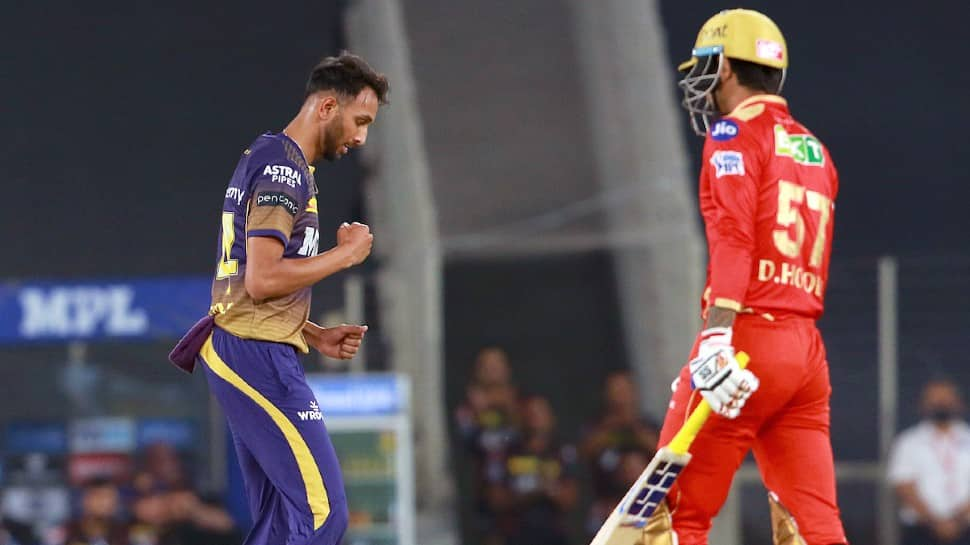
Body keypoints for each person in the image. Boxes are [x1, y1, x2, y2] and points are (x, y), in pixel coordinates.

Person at [168, 52, 389, 545]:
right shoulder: (283, 169)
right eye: (360, 121)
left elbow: (248, 278)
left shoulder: (274, 159)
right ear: (328, 107)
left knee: (280, 522)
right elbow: (262, 280)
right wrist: (345, 255)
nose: (361, 138)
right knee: (321, 515)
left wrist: (309, 331)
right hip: (254, 356)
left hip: (250, 346)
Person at [648, 9, 846, 545]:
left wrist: (714, 338)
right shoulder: (817, 151)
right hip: (806, 354)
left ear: (727, 70)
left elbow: (734, 239)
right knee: (816, 528)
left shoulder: (734, 135)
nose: (701, 83)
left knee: (664, 521)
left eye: (706, 68)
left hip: (745, 345)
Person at [888, 379, 970, 545]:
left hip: (965, 529)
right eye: (935, 400)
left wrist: (957, 520)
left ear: (958, 403)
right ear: (923, 404)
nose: (941, 404)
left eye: (946, 399)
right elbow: (904, 485)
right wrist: (936, 522)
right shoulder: (908, 441)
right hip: (921, 531)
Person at [454, 348, 521, 545]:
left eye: (496, 365)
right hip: (484, 494)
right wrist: (479, 411)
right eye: (486, 366)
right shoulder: (467, 407)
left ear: (507, 369)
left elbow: (533, 434)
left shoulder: (522, 402)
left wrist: (504, 405)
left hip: (521, 496)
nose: (492, 371)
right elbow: (465, 440)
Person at [491, 396, 578, 545]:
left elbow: (571, 498)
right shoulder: (506, 452)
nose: (534, 418)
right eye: (529, 413)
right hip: (516, 535)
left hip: (553, 536)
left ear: (550, 417)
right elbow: (495, 499)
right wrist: (529, 494)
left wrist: (551, 490)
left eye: (539, 413)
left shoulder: (561, 451)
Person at [580, 371, 658, 537]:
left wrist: (635, 428)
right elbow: (586, 451)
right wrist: (611, 426)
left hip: (648, 503)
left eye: (624, 390)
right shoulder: (597, 426)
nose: (620, 397)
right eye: (615, 391)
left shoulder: (647, 424)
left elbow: (662, 451)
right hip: (611, 507)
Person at [61, 478, 129, 545]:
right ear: (85, 500)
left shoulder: (125, 533)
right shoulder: (66, 532)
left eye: (110, 497)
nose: (105, 503)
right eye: (99, 496)